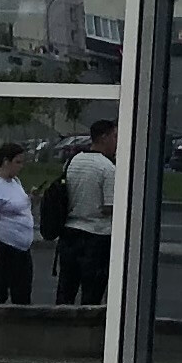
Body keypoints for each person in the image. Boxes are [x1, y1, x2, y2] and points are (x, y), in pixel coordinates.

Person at [55, 117, 117, 310]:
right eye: (115, 136)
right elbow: (108, 207)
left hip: (70, 232)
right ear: (104, 137)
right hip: (97, 236)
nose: (117, 142)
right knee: (92, 294)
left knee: (66, 290)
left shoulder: (73, 162)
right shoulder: (108, 168)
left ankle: (61, 323)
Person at [0, 139, 38, 307]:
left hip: (21, 249)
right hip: (5, 247)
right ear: (5, 162)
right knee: (0, 294)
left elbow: (19, 207)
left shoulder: (15, 182)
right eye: (17, 162)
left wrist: (31, 199)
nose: (20, 166)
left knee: (23, 295)